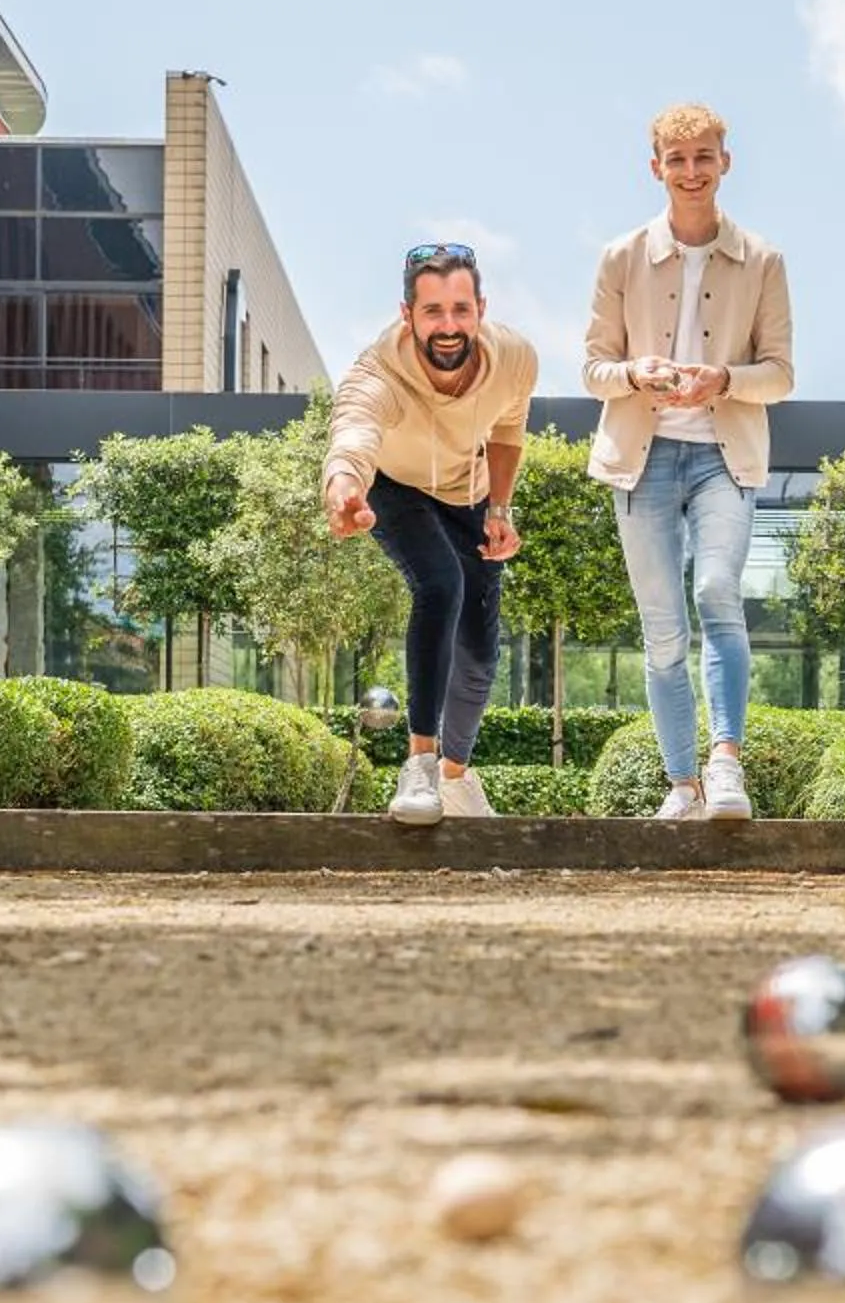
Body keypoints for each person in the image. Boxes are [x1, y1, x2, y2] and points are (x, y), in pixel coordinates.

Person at [584, 102, 795, 821]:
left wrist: (726, 379)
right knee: (663, 628)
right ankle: (682, 787)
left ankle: (726, 765)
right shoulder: (620, 258)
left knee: (715, 592)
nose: (691, 172)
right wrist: (634, 374)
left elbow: (782, 374)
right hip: (640, 459)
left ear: (725, 163)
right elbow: (591, 369)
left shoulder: (762, 260)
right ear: (656, 169)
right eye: (677, 160)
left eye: (704, 157)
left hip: (722, 457)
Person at [322, 244, 537, 825]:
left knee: (479, 655)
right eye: (433, 311)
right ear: (407, 314)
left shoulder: (514, 358)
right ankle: (419, 764)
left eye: (461, 310)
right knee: (440, 586)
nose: (448, 327)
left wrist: (501, 507)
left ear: (480, 309)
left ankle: (456, 777)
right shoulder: (378, 371)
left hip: (469, 494)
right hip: (396, 487)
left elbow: (510, 429)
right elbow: (353, 435)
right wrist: (344, 489)